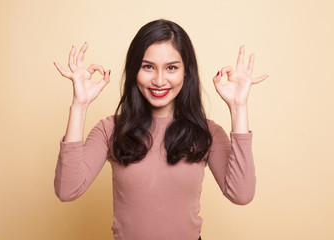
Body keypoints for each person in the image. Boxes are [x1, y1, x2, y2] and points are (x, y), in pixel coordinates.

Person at [53, 19, 268, 240]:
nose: (159, 80)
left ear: (186, 72)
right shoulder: (111, 129)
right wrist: (79, 105)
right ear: (134, 70)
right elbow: (68, 190)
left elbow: (241, 194)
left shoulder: (207, 132)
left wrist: (239, 108)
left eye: (171, 68)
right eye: (148, 67)